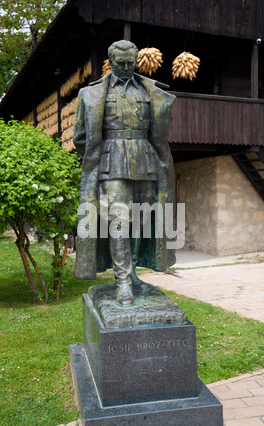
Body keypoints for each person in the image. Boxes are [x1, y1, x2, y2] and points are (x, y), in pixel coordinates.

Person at [73, 40, 176, 306]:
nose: (127, 67)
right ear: (111, 61)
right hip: (111, 164)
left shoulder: (149, 90)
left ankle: (133, 275)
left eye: (131, 62)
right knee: (118, 221)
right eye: (121, 63)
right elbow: (81, 138)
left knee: (142, 221)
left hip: (146, 162)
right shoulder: (91, 93)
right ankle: (122, 283)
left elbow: (159, 133)